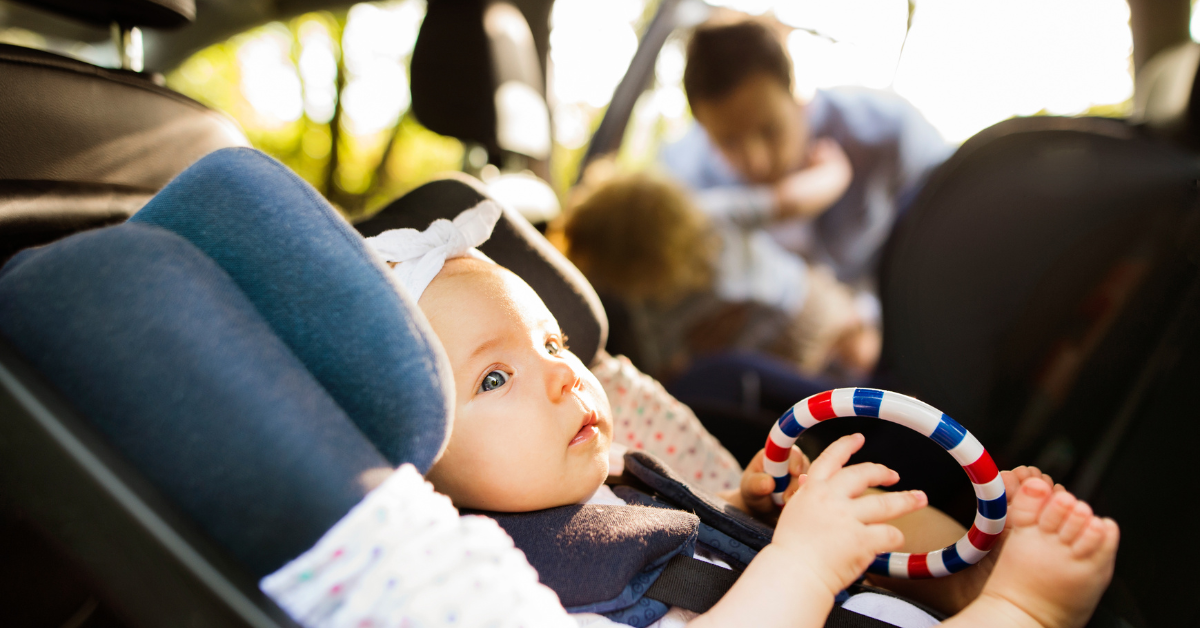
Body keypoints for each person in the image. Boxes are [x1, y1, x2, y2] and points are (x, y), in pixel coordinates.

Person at [352, 202, 1119, 628]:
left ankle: (968, 574)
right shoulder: (503, 588)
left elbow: (680, 550)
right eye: (494, 377)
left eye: (553, 341)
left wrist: (745, 510)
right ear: (418, 458)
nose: (561, 373)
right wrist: (806, 561)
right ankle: (1028, 606)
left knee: (868, 503)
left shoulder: (610, 486)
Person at [661, 19, 954, 290]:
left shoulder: (885, 130)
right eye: (728, 142)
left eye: (769, 130)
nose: (756, 161)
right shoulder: (685, 182)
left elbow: (957, 212)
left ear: (795, 92)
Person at [561, 170, 880, 380]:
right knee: (862, 354)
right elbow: (790, 200)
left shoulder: (649, 300)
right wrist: (834, 170)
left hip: (780, 344)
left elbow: (665, 369)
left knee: (844, 362)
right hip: (799, 308)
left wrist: (693, 353)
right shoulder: (710, 215)